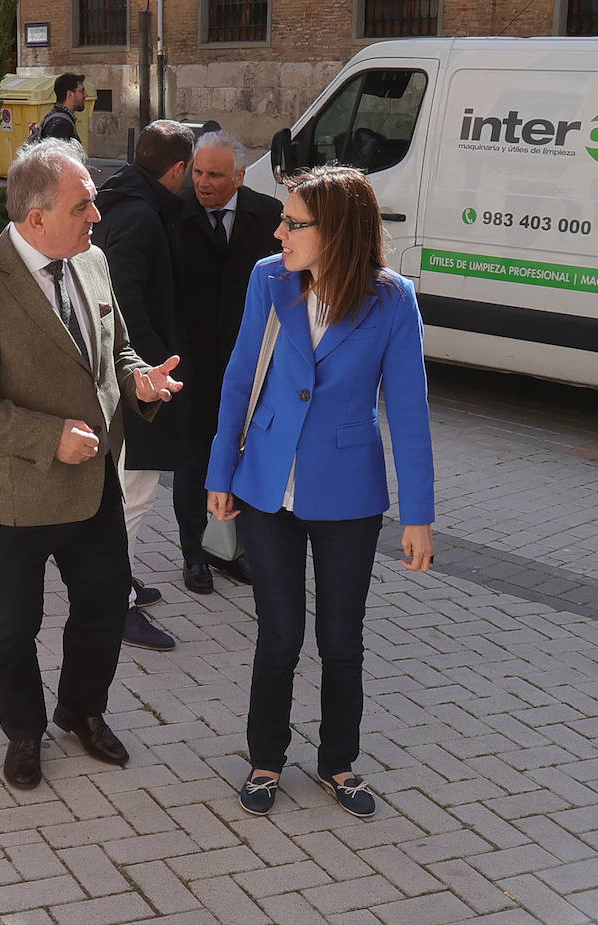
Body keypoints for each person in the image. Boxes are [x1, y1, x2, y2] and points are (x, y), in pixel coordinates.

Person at [0, 139, 182, 790]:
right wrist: (48, 436)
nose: (97, 218)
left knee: (103, 606)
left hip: (91, 485)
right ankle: (24, 728)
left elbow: (117, 350)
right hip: (15, 493)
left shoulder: (93, 262)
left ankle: (81, 708)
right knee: (14, 629)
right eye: (85, 206)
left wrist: (140, 382)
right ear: (35, 216)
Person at [205, 165, 434, 819]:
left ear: (334, 232)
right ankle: (265, 758)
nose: (278, 230)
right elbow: (237, 379)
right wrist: (220, 474)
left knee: (341, 638)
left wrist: (418, 514)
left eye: (293, 222)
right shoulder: (267, 280)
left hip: (348, 497)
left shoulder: (393, 301)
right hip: (266, 487)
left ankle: (337, 760)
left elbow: (411, 414)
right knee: (279, 634)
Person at [90, 119, 195, 652]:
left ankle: (116, 585)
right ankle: (114, 608)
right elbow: (125, 300)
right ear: (176, 169)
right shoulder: (141, 215)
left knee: (124, 493)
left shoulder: (120, 199)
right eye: (191, 171)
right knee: (132, 496)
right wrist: (152, 373)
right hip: (135, 385)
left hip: (122, 381)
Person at [175, 131, 282, 593]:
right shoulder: (173, 214)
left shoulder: (270, 217)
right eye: (198, 171)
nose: (202, 182)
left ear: (239, 176)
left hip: (251, 362)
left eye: (215, 175)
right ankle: (194, 553)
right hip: (192, 364)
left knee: (244, 458)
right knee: (195, 460)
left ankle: (231, 550)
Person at [38, 73, 86, 144]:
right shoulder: (61, 125)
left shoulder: (57, 118)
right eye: (82, 91)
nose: (85, 95)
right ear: (70, 94)